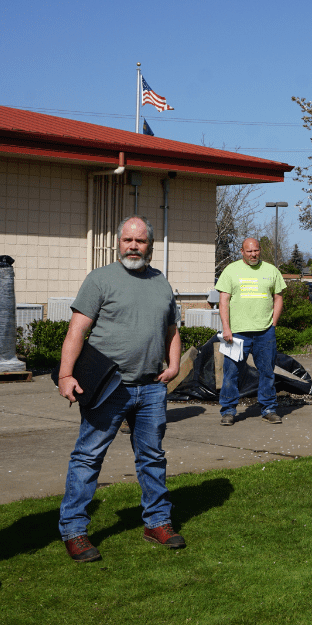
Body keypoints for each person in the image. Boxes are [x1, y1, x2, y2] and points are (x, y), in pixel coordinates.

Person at [57, 215, 184, 563]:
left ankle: (157, 522)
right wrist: (66, 375)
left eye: (140, 241)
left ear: (150, 245)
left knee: (152, 458)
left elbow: (171, 329)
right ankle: (74, 531)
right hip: (108, 387)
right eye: (127, 240)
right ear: (118, 243)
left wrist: (173, 365)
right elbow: (76, 332)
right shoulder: (100, 280)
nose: (133, 246)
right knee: (88, 457)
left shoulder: (161, 283)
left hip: (151, 388)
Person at [215, 237, 286, 425]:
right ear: (241, 251)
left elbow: (278, 297)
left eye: (256, 251)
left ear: (260, 250)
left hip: (265, 333)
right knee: (231, 373)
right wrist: (226, 328)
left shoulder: (271, 270)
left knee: (267, 372)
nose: (253, 254)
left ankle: (269, 408)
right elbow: (223, 301)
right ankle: (228, 411)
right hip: (236, 333)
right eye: (249, 251)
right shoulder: (231, 271)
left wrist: (274, 324)